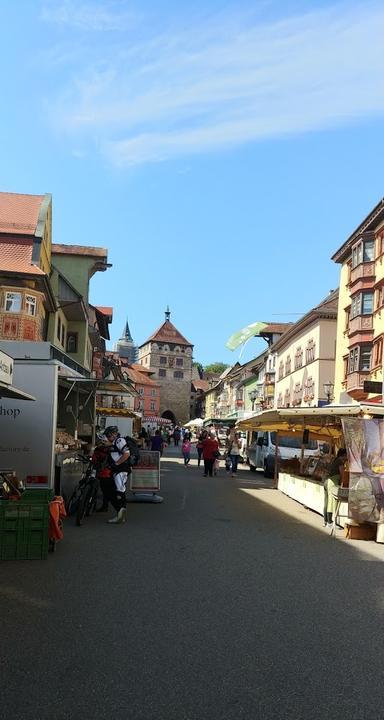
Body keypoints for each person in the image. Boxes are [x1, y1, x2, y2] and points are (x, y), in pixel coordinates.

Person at [103, 426, 130, 524]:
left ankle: (120, 515)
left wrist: (117, 463)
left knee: (120, 491)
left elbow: (126, 454)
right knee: (117, 490)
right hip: (118, 470)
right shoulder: (114, 442)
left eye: (109, 435)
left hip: (121, 470)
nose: (108, 437)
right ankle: (120, 515)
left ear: (114, 434)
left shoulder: (119, 441)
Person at [323, 448, 347, 527]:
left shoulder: (335, 460)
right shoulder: (340, 461)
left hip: (327, 481)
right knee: (331, 501)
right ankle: (330, 522)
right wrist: (344, 483)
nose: (347, 458)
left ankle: (326, 521)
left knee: (327, 501)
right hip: (332, 482)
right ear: (344, 455)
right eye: (346, 456)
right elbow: (342, 474)